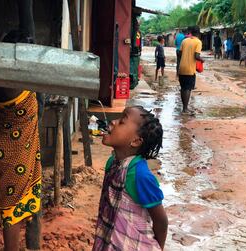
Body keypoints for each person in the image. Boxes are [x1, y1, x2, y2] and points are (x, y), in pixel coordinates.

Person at [0, 30, 42, 251]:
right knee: (11, 207)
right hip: (14, 149)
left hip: (14, 145)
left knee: (18, 201)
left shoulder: (9, 78)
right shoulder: (12, 80)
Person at [93, 106, 168, 251]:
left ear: (136, 141)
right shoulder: (113, 163)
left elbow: (160, 220)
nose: (113, 122)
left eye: (121, 121)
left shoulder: (140, 176)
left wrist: (159, 247)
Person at [179, 26, 204, 115]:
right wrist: (202, 60)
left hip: (181, 67)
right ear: (198, 33)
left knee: (183, 88)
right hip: (190, 69)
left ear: (191, 32)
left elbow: (179, 53)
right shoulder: (198, 42)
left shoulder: (184, 41)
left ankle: (184, 108)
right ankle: (185, 109)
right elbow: (196, 56)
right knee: (188, 89)